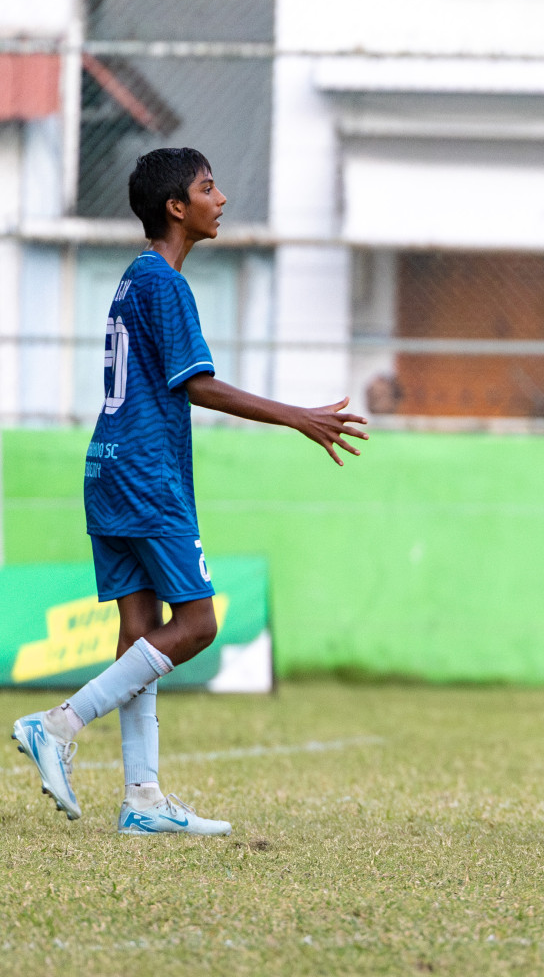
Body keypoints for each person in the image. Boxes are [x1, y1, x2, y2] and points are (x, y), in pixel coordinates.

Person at [11, 148, 367, 835]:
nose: (222, 198)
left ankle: (142, 799)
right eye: (210, 187)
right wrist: (300, 417)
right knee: (198, 623)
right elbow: (195, 383)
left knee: (140, 632)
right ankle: (57, 724)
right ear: (178, 207)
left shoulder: (132, 280)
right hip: (147, 475)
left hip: (108, 466)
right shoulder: (167, 286)